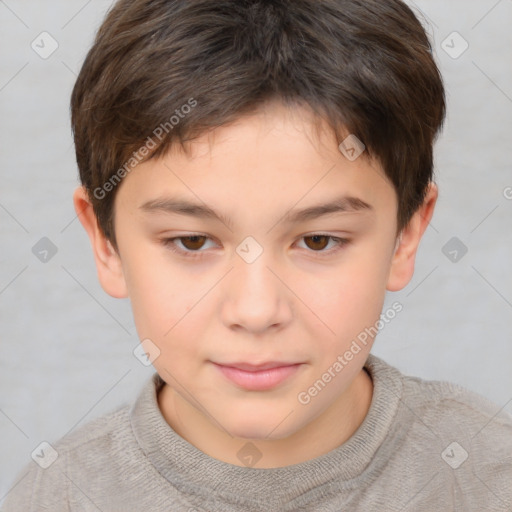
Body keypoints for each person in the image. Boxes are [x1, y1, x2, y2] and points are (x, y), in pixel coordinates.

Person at [2, 0, 511, 510]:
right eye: (192, 241)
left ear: (406, 236)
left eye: (318, 241)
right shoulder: (58, 497)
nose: (256, 311)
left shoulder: (488, 475)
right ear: (105, 242)